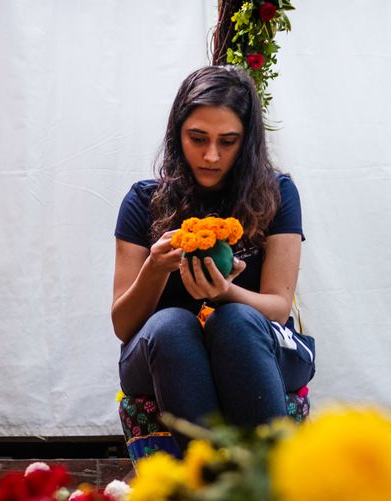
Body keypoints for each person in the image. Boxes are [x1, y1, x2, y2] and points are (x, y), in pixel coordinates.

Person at [112, 64, 315, 438]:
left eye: (227, 141)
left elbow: (279, 308)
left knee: (235, 320)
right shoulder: (144, 200)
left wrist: (225, 293)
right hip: (162, 350)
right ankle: (207, 483)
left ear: (247, 140)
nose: (210, 155)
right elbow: (123, 326)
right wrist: (155, 269)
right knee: (173, 324)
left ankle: (261, 480)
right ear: (177, 134)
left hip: (258, 341)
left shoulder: (276, 193)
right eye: (198, 138)